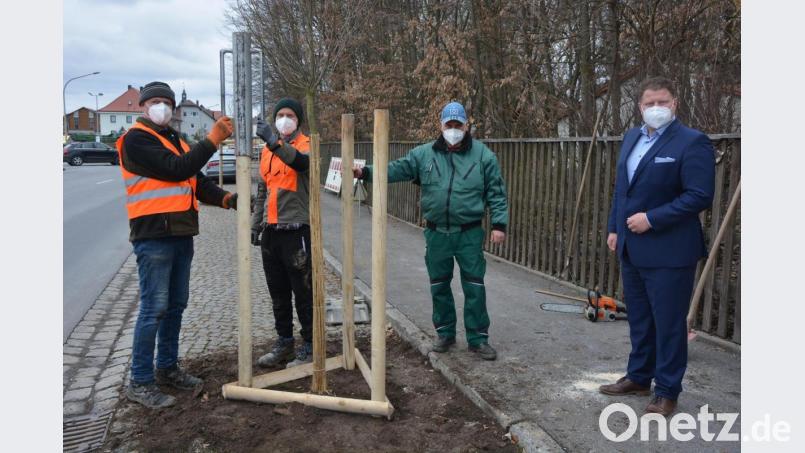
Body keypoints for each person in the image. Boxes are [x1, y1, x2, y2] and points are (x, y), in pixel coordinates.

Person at [353, 102, 508, 360]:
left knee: (474, 285)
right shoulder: (424, 155)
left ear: (466, 125)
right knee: (439, 285)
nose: (454, 129)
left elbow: (497, 193)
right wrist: (367, 171)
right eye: (449, 125)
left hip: (469, 233)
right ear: (441, 125)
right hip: (437, 233)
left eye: (459, 125)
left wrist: (499, 225)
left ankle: (478, 339)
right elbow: (397, 169)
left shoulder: (484, 157)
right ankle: (445, 333)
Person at [599, 76, 715, 416]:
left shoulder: (692, 142)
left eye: (662, 102)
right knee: (640, 319)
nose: (656, 109)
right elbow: (623, 189)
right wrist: (614, 227)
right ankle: (639, 376)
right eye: (649, 103)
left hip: (670, 250)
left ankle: (667, 391)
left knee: (668, 324)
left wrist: (652, 218)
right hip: (631, 248)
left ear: (675, 103)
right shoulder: (632, 137)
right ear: (640, 107)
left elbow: (699, 195)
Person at [117, 81, 237, 408]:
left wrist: (227, 199)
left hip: (182, 233)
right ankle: (139, 381)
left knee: (175, 306)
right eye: (155, 102)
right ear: (143, 107)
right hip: (153, 236)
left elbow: (195, 180)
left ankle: (168, 368)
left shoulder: (176, 140)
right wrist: (212, 139)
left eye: (166, 103)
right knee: (154, 309)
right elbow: (175, 170)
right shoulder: (136, 140)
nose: (162, 108)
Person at [250, 98, 314, 368]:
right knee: (278, 293)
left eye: (290, 115)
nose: (284, 120)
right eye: (280, 115)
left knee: (303, 292)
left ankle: (310, 345)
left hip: (296, 229)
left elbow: (301, 164)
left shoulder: (306, 145)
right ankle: (284, 342)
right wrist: (256, 224)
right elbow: (263, 191)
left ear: (298, 120)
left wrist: (274, 143)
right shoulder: (266, 151)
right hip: (272, 231)